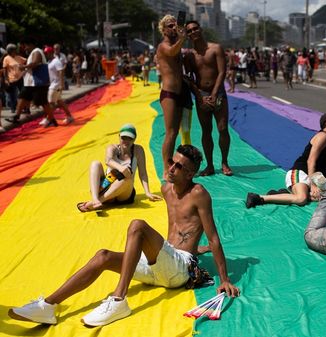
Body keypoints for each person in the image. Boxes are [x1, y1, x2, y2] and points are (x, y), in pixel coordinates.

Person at [9, 145, 240, 326]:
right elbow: (180, 229)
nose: (172, 168)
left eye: (179, 167)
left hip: (180, 271)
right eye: (172, 162)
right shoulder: (166, 188)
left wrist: (224, 279)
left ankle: (119, 300)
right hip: (160, 266)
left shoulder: (199, 193)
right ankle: (48, 306)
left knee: (137, 225)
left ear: (191, 174)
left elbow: (213, 239)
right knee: (103, 256)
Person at [245, 112, 326, 208]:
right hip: (300, 172)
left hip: (313, 175)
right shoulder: (322, 136)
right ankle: (259, 197)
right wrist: (313, 184)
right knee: (301, 199)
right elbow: (311, 160)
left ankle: (283, 195)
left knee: (321, 197)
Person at [184, 20, 233, 177]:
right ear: (187, 35)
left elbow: (221, 72)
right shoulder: (190, 55)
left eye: (195, 29)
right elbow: (189, 78)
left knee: (222, 128)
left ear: (201, 29)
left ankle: (224, 162)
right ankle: (210, 165)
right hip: (202, 96)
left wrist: (214, 93)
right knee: (206, 131)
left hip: (218, 94)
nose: (193, 32)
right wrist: (200, 96)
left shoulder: (215, 48)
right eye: (189, 31)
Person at [76, 124, 162, 212]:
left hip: (124, 193)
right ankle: (95, 198)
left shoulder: (138, 150)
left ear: (134, 139)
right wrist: (121, 168)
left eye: (130, 138)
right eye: (124, 137)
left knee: (128, 179)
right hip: (109, 186)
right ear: (119, 137)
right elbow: (108, 160)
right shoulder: (112, 148)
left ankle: (97, 202)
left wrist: (147, 192)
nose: (126, 141)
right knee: (95, 164)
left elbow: (143, 173)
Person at [156, 14, 193, 180]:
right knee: (170, 133)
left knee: (178, 132)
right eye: (170, 26)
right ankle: (166, 169)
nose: (173, 28)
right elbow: (172, 51)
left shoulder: (175, 44)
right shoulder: (164, 46)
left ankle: (175, 165)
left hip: (180, 93)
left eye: (175, 25)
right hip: (169, 93)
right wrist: (182, 38)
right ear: (163, 29)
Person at [5, 38, 57, 127]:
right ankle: (16, 117)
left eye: (26, 46)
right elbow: (31, 67)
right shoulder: (34, 52)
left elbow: (35, 63)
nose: (25, 48)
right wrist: (22, 73)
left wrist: (24, 67)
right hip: (31, 83)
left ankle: (52, 119)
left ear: (31, 45)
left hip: (37, 82)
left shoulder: (37, 51)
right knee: (22, 97)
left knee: (43, 102)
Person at [45, 45, 74, 125]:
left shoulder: (56, 61)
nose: (46, 55)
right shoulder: (50, 61)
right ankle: (69, 116)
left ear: (51, 53)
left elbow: (61, 71)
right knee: (60, 102)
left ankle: (49, 119)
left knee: (51, 103)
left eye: (47, 53)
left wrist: (61, 84)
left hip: (55, 85)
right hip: (53, 84)